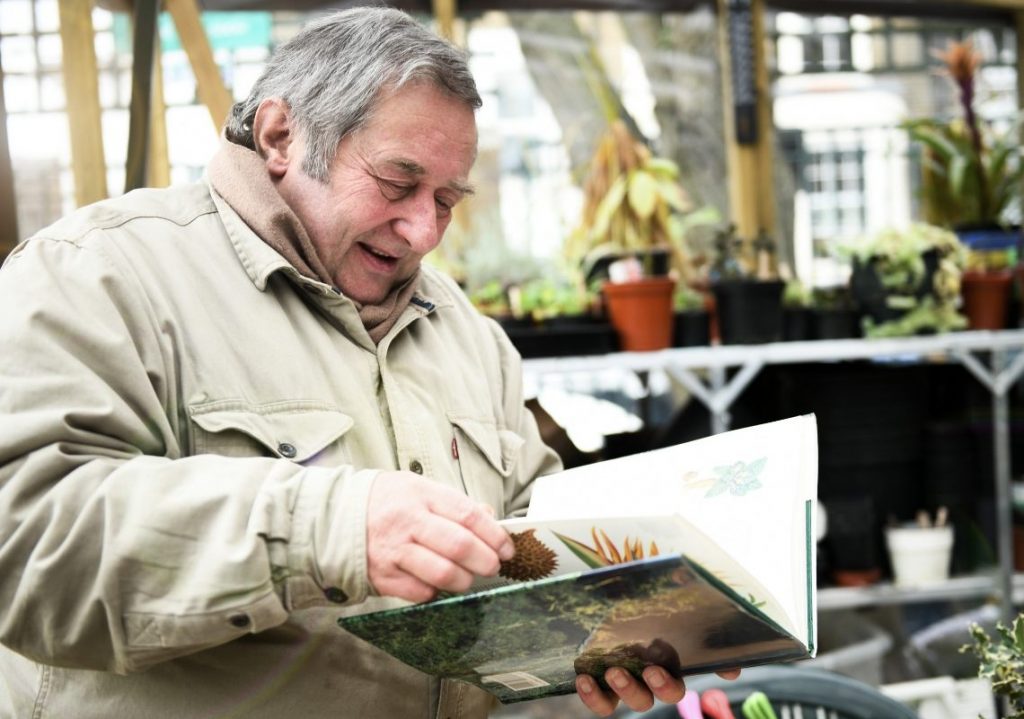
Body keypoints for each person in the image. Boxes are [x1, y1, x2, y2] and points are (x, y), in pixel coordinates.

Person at [0, 7, 725, 718]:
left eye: (447, 199)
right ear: (282, 135)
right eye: (396, 181)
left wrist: (596, 638)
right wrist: (330, 529)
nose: (423, 231)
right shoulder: (99, 276)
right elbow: (24, 546)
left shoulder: (469, 335)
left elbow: (530, 555)